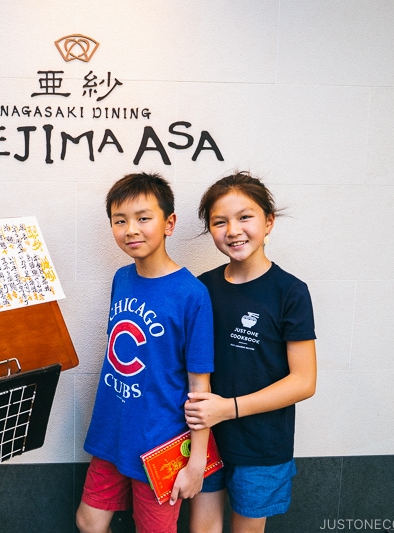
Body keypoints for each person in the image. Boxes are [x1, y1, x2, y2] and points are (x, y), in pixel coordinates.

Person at [76, 172, 215, 533]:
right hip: (112, 431)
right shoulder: (122, 278)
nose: (131, 229)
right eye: (120, 220)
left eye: (143, 218)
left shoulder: (192, 294)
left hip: (161, 442)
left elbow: (200, 386)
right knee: (89, 522)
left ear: (169, 223)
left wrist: (196, 462)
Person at [185, 171, 317, 533]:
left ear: (268, 221)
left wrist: (227, 408)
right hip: (205, 439)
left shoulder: (290, 291)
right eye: (219, 221)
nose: (233, 230)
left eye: (245, 217)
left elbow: (304, 382)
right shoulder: (203, 288)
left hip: (262, 444)